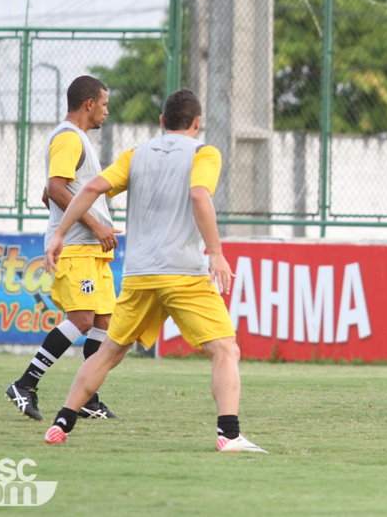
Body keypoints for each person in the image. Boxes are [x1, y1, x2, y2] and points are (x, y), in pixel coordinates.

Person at [42, 89, 266, 453]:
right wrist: (217, 253)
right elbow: (199, 195)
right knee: (225, 349)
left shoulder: (136, 154)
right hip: (183, 272)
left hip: (140, 274)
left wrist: (60, 233)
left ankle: (62, 423)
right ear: (197, 122)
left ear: (162, 121)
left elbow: (93, 187)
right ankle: (229, 433)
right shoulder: (204, 152)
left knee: (109, 351)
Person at [5, 75, 121, 421]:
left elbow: (49, 194)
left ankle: (88, 399)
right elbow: (56, 189)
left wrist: (70, 219)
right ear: (89, 104)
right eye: (104, 104)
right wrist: (93, 225)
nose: (106, 111)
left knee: (103, 320)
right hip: (78, 246)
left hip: (91, 248)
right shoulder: (68, 138)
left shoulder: (77, 139)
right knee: (82, 319)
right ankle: (25, 384)